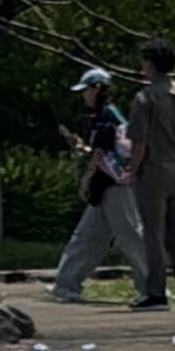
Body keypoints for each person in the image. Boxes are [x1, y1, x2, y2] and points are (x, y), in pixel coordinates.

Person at [47, 68, 149, 303]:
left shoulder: (105, 116)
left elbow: (99, 154)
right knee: (87, 236)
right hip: (106, 185)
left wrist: (85, 181)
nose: (84, 95)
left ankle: (152, 289)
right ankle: (66, 284)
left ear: (98, 88)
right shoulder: (107, 116)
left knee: (131, 235)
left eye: (86, 90)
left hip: (116, 185)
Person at [124, 39, 175, 311]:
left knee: (153, 233)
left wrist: (132, 169)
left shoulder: (145, 98)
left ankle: (156, 292)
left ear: (152, 64)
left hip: (152, 169)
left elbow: (139, 141)